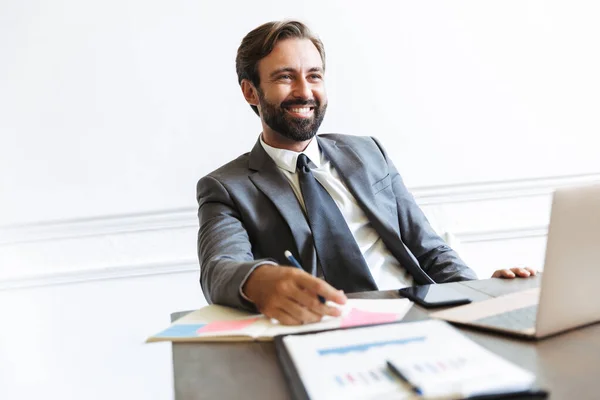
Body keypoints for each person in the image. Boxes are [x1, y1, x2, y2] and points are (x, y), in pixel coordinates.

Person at [196, 20, 535, 325]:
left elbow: (430, 250)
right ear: (250, 91)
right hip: (327, 329)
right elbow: (219, 268)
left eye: (314, 75)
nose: (305, 91)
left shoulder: (368, 152)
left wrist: (481, 294)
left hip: (421, 315)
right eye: (285, 77)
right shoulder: (226, 187)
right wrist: (260, 280)